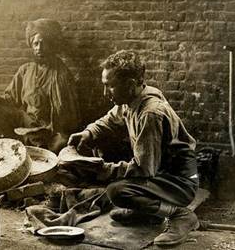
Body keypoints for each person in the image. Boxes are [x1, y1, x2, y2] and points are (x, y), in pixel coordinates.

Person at [68, 50, 200, 246]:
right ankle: (150, 213)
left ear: (130, 85)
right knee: (117, 186)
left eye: (110, 87)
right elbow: (110, 120)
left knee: (117, 191)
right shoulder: (132, 99)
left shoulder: (150, 114)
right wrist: (88, 132)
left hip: (178, 182)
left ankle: (180, 215)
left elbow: (144, 169)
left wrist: (102, 169)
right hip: (161, 174)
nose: (105, 93)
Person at [0, 18, 80, 153]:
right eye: (36, 44)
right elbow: (10, 97)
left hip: (48, 128)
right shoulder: (25, 70)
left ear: (51, 45)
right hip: (26, 121)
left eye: (43, 43)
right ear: (31, 45)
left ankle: (33, 144)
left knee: (62, 143)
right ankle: (18, 140)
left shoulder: (61, 73)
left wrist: (51, 128)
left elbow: (68, 113)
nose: (39, 48)